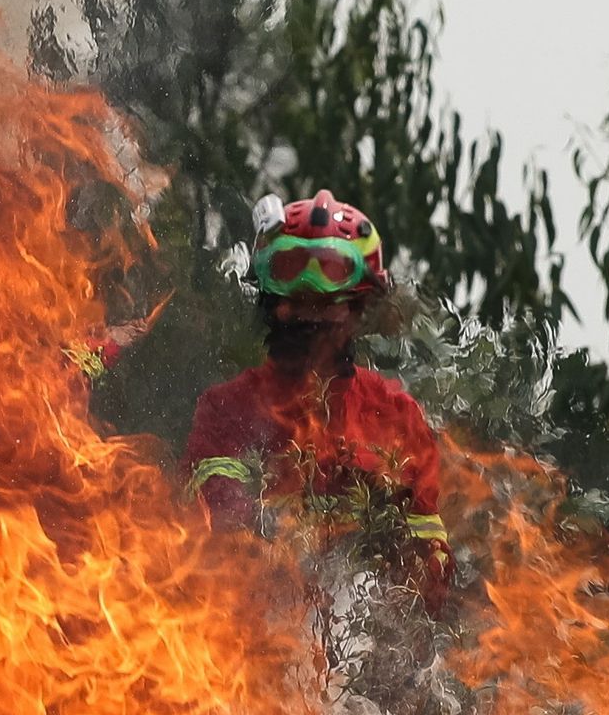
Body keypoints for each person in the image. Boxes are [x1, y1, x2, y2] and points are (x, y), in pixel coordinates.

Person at [180, 190, 452, 611]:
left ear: (360, 310)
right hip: (250, 642)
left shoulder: (398, 419)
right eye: (295, 300)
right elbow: (216, 538)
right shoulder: (225, 410)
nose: (308, 315)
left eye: (325, 304)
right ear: (270, 302)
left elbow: (428, 573)